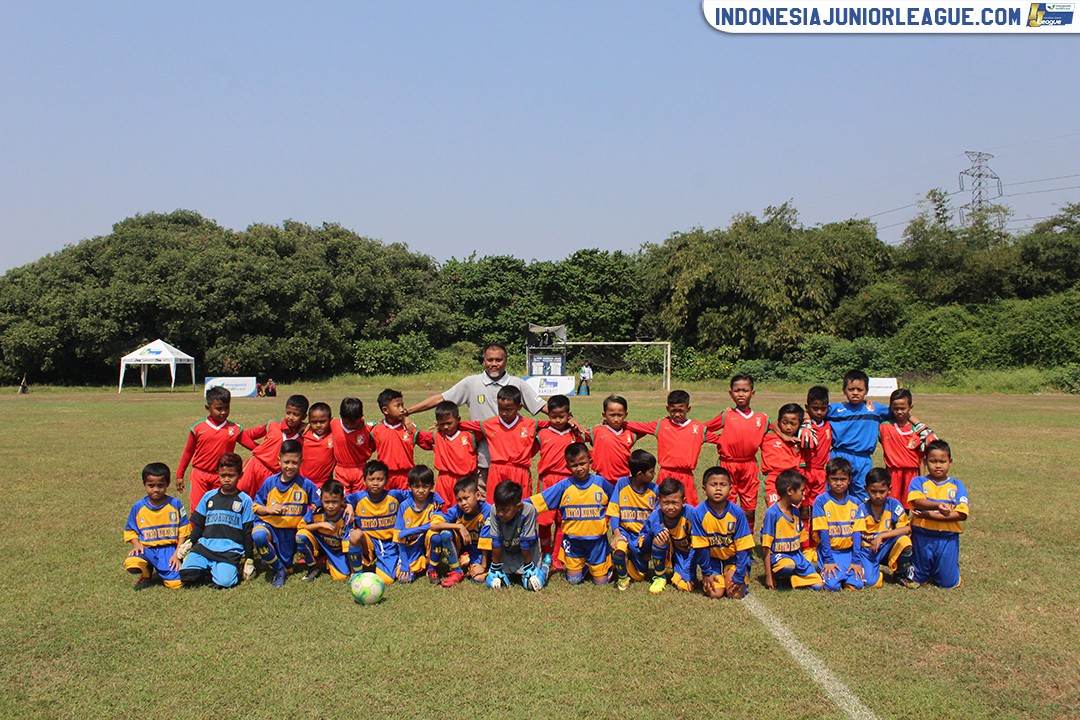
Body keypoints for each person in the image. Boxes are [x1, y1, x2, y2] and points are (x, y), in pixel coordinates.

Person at [405, 343, 548, 495]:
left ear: (506, 361)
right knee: (484, 504)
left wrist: (567, 417)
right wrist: (409, 411)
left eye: (498, 360)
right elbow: (441, 398)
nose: (494, 364)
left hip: (513, 460)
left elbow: (541, 405)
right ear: (484, 361)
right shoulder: (471, 383)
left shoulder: (517, 383)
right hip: (483, 459)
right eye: (490, 360)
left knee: (515, 503)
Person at [526, 443, 613, 585]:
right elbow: (540, 500)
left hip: (597, 542)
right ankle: (583, 567)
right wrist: (515, 504)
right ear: (567, 467)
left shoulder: (600, 483)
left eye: (582, 463)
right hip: (573, 542)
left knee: (601, 582)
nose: (579, 468)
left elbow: (616, 501)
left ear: (590, 462)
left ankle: (609, 566)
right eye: (574, 465)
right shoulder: (564, 486)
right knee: (574, 581)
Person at [624, 390, 720, 505]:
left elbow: (720, 440)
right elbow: (639, 426)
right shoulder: (661, 425)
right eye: (673, 410)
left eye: (681, 410)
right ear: (667, 408)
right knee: (661, 507)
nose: (677, 414)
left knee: (690, 510)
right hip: (666, 474)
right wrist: (620, 423)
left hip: (686, 476)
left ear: (688, 408)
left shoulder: (698, 428)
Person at [251, 439, 321, 588]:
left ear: (301, 462)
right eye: (286, 462)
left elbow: (320, 501)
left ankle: (282, 565)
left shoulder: (306, 484)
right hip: (269, 525)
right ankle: (278, 570)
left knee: (290, 567)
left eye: (294, 463)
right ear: (279, 461)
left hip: (289, 532)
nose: (290, 466)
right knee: (259, 536)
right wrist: (268, 509)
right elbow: (255, 506)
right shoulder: (270, 483)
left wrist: (308, 516)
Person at [179, 453, 255, 589]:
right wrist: (190, 542)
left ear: (240, 475)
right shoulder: (209, 496)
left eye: (231, 476)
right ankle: (208, 568)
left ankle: (227, 570)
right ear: (217, 474)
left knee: (225, 582)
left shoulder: (245, 500)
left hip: (229, 551)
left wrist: (249, 559)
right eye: (223, 475)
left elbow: (247, 531)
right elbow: (199, 525)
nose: (226, 479)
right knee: (186, 575)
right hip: (205, 547)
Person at [175, 386, 255, 513]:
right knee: (197, 510)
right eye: (219, 409)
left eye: (226, 408)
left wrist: (272, 448)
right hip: (200, 475)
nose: (223, 412)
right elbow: (188, 452)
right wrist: (180, 475)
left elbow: (254, 447)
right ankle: (197, 533)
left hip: (222, 476)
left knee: (220, 509)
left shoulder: (233, 429)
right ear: (208, 408)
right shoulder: (198, 428)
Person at [705, 374, 769, 529]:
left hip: (749, 466)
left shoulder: (762, 418)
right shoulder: (726, 415)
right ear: (731, 393)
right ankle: (725, 540)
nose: (741, 394)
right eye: (737, 390)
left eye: (745, 390)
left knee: (749, 508)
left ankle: (746, 540)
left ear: (752, 393)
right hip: (728, 464)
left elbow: (776, 430)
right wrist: (719, 440)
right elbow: (703, 430)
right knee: (726, 504)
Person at [458, 385, 539, 505]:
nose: (504, 413)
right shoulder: (489, 424)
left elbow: (554, 422)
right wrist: (444, 423)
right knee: (494, 506)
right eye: (501, 409)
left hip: (520, 471)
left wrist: (570, 420)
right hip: (497, 471)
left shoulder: (530, 424)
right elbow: (464, 425)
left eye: (509, 409)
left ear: (519, 407)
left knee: (521, 506)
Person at [906, 440, 969, 589]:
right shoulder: (919, 481)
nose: (938, 465)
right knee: (915, 580)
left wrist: (929, 515)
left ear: (950, 462)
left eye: (942, 461)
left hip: (947, 538)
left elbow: (961, 514)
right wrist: (937, 506)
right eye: (933, 461)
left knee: (948, 584)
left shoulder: (957, 485)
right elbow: (916, 501)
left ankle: (948, 568)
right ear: (926, 462)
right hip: (922, 536)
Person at [534, 394, 589, 559]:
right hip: (548, 480)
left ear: (569, 415)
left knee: (562, 519)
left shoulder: (574, 434)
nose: (557, 420)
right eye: (553, 416)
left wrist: (576, 424)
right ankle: (546, 553)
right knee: (544, 520)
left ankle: (558, 555)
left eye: (562, 416)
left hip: (568, 482)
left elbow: (588, 440)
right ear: (548, 415)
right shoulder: (542, 434)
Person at [825, 370, 891, 503]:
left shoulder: (874, 409)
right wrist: (807, 424)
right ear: (844, 390)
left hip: (862, 459)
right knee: (833, 492)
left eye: (859, 389)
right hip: (839, 455)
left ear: (866, 390)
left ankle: (860, 522)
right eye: (851, 389)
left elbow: (900, 411)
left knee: (862, 494)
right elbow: (811, 411)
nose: (855, 392)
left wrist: (919, 426)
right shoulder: (835, 409)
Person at [123, 462, 189, 590]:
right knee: (132, 562)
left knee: (176, 585)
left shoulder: (175, 504)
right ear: (144, 485)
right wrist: (137, 545)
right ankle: (146, 571)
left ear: (167, 484)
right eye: (151, 485)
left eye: (160, 485)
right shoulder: (138, 507)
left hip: (169, 550)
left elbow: (184, 531)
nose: (156, 489)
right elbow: (131, 530)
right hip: (147, 549)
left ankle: (165, 570)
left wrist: (177, 554)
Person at [691, 467, 754, 599]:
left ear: (730, 489)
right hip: (712, 561)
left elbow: (743, 548)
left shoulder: (737, 513)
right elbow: (701, 547)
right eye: (713, 485)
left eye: (723, 485)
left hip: (733, 560)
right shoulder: (699, 513)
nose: (718, 489)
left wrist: (739, 574)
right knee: (716, 593)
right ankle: (718, 575)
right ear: (704, 489)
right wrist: (707, 573)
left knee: (735, 594)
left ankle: (736, 577)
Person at [345, 460, 407, 584]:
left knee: (387, 580)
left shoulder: (395, 495)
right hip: (369, 541)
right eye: (371, 479)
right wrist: (349, 505)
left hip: (388, 543)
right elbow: (338, 499)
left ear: (387, 481)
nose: (375, 483)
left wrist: (436, 499)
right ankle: (357, 572)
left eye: (380, 479)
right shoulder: (357, 498)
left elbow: (418, 495)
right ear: (364, 481)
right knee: (355, 535)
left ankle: (390, 562)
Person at [237, 394, 309, 498]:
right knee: (239, 497)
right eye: (288, 413)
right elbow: (245, 435)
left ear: (304, 416)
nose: (291, 417)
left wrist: (309, 424)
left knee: (265, 504)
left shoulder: (304, 435)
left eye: (296, 414)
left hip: (274, 475)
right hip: (254, 466)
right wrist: (259, 449)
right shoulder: (273, 425)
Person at [761, 470, 822, 590]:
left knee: (818, 584)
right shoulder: (772, 513)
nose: (803, 495)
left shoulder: (796, 512)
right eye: (801, 491)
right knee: (787, 566)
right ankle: (778, 575)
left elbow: (801, 538)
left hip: (796, 555)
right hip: (780, 555)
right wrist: (768, 576)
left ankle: (793, 578)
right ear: (789, 491)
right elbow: (766, 546)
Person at [810, 458, 865, 591]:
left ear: (849, 480)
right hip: (830, 552)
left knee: (856, 585)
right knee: (832, 586)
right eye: (834, 479)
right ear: (827, 479)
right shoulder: (821, 501)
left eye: (843, 479)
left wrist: (856, 561)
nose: (838, 483)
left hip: (849, 553)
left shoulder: (856, 503)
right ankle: (822, 570)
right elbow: (822, 532)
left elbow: (857, 533)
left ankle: (849, 571)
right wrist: (828, 560)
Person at [607, 449, 658, 591]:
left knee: (640, 576)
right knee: (619, 547)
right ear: (640, 475)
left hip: (642, 536)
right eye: (652, 471)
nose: (654, 474)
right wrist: (617, 533)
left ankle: (630, 560)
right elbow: (614, 511)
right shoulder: (622, 484)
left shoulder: (655, 489)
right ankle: (622, 577)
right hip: (625, 532)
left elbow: (657, 518)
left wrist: (648, 545)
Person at [484, 481, 549, 591]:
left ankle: (545, 565)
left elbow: (525, 543)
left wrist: (528, 567)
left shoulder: (529, 510)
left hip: (528, 552)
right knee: (495, 583)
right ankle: (509, 571)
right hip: (507, 551)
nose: (500, 513)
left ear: (518, 507)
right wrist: (495, 567)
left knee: (534, 584)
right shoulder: (494, 510)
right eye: (498, 508)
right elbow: (496, 542)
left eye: (505, 510)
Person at [415, 401, 479, 511]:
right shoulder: (437, 436)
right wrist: (405, 420)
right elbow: (418, 435)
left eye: (449, 423)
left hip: (464, 481)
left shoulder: (469, 435)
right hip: (443, 481)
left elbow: (484, 427)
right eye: (442, 424)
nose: (446, 427)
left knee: (464, 511)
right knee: (442, 510)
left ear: (458, 420)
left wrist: (462, 425)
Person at [879, 389, 937, 508]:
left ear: (910, 407)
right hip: (892, 473)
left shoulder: (917, 430)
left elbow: (922, 458)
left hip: (911, 474)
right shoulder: (884, 427)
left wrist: (921, 480)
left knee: (909, 507)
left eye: (903, 408)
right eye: (895, 408)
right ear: (890, 408)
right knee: (890, 506)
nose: (899, 412)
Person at [430, 473, 491, 587]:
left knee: (478, 578)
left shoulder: (487, 511)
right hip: (468, 549)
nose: (463, 503)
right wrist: (459, 527)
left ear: (477, 495)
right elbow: (434, 525)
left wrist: (483, 566)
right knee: (445, 534)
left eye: (466, 498)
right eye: (459, 500)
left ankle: (488, 567)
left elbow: (486, 541)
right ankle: (456, 571)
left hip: (485, 551)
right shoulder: (457, 511)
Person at [858, 468, 913, 588]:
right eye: (873, 491)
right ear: (866, 489)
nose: (878, 496)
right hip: (868, 551)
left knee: (904, 541)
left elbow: (907, 529)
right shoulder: (861, 509)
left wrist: (881, 536)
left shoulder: (894, 505)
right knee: (870, 583)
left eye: (882, 491)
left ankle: (900, 572)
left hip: (887, 546)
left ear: (889, 489)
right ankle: (873, 570)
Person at [392, 465, 445, 584]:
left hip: (425, 545)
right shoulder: (404, 506)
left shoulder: (435, 504)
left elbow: (435, 525)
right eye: (416, 487)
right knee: (404, 579)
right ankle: (414, 563)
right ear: (409, 486)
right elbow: (399, 537)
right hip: (410, 548)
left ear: (432, 486)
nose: (421, 490)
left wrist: (409, 531)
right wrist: (405, 564)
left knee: (435, 536)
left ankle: (432, 568)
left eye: (425, 486)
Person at [642, 478, 695, 594]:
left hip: (685, 555)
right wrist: (653, 531)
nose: (670, 507)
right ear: (659, 502)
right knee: (660, 536)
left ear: (684, 501)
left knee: (684, 587)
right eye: (666, 503)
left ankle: (681, 571)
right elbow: (643, 541)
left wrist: (686, 570)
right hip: (665, 552)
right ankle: (660, 576)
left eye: (675, 503)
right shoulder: (656, 515)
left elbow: (698, 545)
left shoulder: (691, 514)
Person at [295, 479, 350, 582]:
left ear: (342, 500)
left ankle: (327, 561)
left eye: (334, 502)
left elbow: (349, 542)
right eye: (326, 502)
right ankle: (313, 566)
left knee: (342, 577)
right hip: (320, 544)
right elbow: (301, 527)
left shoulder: (346, 516)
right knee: (301, 536)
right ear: (321, 500)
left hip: (337, 550)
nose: (330, 506)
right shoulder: (316, 511)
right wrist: (320, 525)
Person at [799, 386, 832, 538]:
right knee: (803, 508)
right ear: (807, 407)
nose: (819, 412)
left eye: (823, 408)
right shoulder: (802, 424)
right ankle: (804, 543)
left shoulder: (829, 424)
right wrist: (805, 419)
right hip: (804, 471)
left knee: (818, 509)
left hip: (820, 472)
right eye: (815, 408)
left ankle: (815, 542)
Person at [370, 388, 418, 490]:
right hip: (385, 477)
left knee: (405, 505)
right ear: (385, 410)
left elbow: (427, 440)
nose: (402, 409)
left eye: (402, 405)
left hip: (406, 477)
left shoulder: (410, 428)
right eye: (397, 406)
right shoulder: (376, 430)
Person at [590, 395, 643, 485]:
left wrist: (626, 424)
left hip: (624, 480)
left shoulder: (630, 434)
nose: (616, 419)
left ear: (626, 415)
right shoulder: (597, 431)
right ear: (604, 415)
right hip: (602, 479)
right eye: (612, 415)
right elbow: (577, 436)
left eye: (620, 415)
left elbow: (645, 429)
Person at [760, 403, 805, 511]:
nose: (788, 427)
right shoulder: (768, 435)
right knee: (775, 511)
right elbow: (772, 423)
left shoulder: (801, 440)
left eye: (793, 424)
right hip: (772, 479)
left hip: (793, 479)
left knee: (791, 512)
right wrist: (783, 436)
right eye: (785, 423)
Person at [329, 397, 375, 494]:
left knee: (360, 499)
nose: (349, 425)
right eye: (346, 422)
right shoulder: (334, 424)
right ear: (341, 416)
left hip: (361, 470)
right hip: (341, 470)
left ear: (361, 416)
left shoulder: (369, 429)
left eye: (353, 422)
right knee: (341, 499)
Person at [300, 402, 336, 488]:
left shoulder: (334, 436)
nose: (318, 425)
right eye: (314, 422)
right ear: (309, 421)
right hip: (302, 482)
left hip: (323, 485)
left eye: (322, 422)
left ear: (330, 420)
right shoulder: (304, 435)